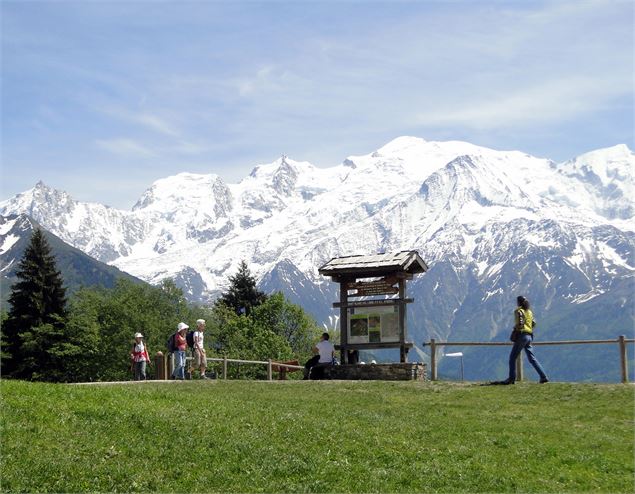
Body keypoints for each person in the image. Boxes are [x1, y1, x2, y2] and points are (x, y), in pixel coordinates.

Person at [503, 296, 549, 384]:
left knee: (512, 357)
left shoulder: (519, 311)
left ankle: (511, 379)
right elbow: (534, 323)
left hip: (522, 336)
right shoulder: (529, 312)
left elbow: (519, 324)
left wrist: (515, 328)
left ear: (518, 302)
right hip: (529, 336)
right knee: (532, 358)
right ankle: (543, 377)